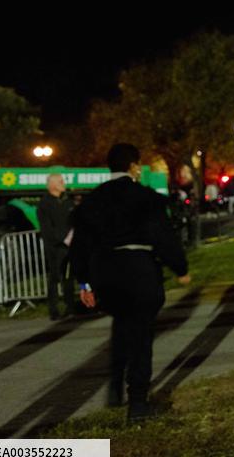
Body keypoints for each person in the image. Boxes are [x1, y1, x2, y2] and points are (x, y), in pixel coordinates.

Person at [70, 143, 190, 421]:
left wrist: (84, 283)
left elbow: (80, 245)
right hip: (138, 271)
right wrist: (179, 267)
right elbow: (162, 235)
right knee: (140, 336)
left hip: (106, 274)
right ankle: (138, 403)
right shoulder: (144, 198)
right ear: (134, 166)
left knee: (122, 325)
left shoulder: (93, 201)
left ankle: (114, 389)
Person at [36, 173, 76, 320]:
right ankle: (53, 310)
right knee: (55, 278)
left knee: (68, 278)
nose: (63, 183)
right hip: (55, 247)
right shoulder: (44, 204)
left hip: (69, 246)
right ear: (52, 185)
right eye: (60, 181)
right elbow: (47, 228)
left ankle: (70, 307)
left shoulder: (67, 201)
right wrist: (63, 239)